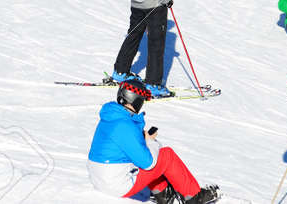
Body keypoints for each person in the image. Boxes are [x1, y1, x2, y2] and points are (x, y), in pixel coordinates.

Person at [87, 81, 220, 203]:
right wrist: (151, 141)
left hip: (99, 178)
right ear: (136, 101)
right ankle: (194, 197)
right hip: (115, 184)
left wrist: (143, 138)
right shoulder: (125, 125)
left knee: (147, 153)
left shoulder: (111, 117)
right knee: (166, 156)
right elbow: (148, 163)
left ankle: (163, 193)